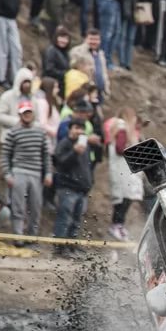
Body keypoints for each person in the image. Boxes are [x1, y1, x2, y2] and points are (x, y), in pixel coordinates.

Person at [1, 99, 53, 238]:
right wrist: (7, 174)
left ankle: (32, 236)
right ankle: (18, 236)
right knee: (18, 206)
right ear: (20, 114)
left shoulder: (40, 132)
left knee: (35, 207)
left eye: (29, 112)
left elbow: (46, 155)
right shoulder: (13, 132)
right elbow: (5, 154)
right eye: (24, 113)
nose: (27, 115)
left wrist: (48, 173)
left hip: (36, 173)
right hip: (19, 171)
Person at [52, 86, 93, 249]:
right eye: (76, 128)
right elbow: (60, 163)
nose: (79, 131)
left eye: (81, 129)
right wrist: (74, 153)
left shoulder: (84, 145)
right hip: (67, 186)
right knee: (65, 218)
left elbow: (87, 166)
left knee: (76, 220)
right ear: (70, 129)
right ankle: (60, 248)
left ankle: (72, 247)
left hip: (82, 188)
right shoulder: (65, 144)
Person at [105, 107, 144, 240]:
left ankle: (119, 224)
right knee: (124, 196)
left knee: (126, 197)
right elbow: (120, 148)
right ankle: (117, 224)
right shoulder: (122, 127)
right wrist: (135, 151)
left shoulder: (117, 127)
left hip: (121, 168)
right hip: (122, 169)